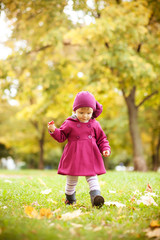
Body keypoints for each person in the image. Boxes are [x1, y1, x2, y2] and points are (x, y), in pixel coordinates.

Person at [48, 91, 111, 208]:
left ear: (92, 111)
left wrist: (105, 148)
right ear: (74, 111)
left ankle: (96, 198)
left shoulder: (95, 124)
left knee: (92, 177)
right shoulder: (69, 123)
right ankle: (70, 198)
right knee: (72, 179)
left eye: (88, 112)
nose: (85, 115)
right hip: (74, 155)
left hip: (90, 155)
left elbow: (102, 139)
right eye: (81, 112)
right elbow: (61, 136)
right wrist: (53, 130)